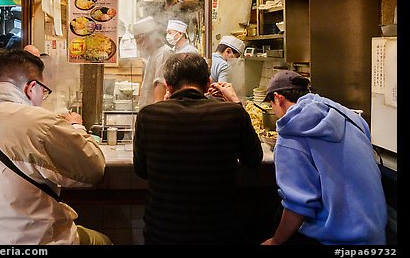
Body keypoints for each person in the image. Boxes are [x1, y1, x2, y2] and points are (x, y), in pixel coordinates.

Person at [0, 49, 111, 245]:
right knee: (101, 240)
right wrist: (76, 126)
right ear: (31, 88)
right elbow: (93, 168)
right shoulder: (40, 123)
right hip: (33, 242)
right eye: (44, 92)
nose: (42, 99)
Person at [133, 52, 263, 244]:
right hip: (219, 232)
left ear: (168, 85)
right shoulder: (232, 113)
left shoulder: (149, 115)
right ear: (209, 83)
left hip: (163, 231)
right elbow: (253, 159)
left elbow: (141, 170)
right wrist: (236, 102)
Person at [261, 70, 387, 245]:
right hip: (377, 234)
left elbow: (298, 205)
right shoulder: (350, 116)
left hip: (338, 240)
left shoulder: (290, 134)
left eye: (271, 106)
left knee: (277, 220)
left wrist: (275, 241)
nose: (274, 112)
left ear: (278, 98)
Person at [132, 16, 174, 110]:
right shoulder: (153, 54)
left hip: (155, 114)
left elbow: (161, 86)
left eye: (137, 39)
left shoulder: (163, 53)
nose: (137, 44)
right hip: (149, 111)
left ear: (145, 37)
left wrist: (155, 114)